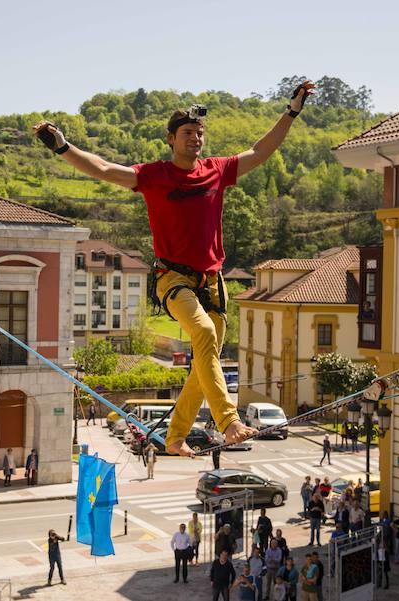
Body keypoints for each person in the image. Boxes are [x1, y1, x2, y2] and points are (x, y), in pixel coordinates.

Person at [33, 82, 315, 457]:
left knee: (205, 360)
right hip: (174, 278)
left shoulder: (217, 170)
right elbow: (103, 168)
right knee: (203, 334)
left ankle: (175, 437)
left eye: (199, 133)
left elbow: (260, 151)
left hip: (212, 282)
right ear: (171, 139)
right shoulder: (154, 175)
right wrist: (62, 147)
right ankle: (229, 421)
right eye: (187, 133)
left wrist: (291, 112)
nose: (195, 138)